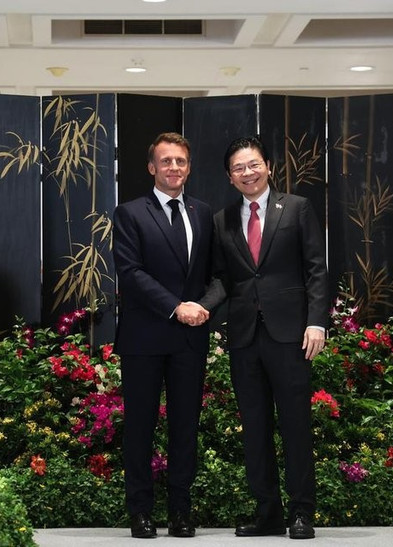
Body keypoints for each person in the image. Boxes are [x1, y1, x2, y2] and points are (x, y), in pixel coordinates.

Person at [199, 135, 327, 540]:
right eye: (238, 168)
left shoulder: (297, 208)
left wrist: (317, 321)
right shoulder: (221, 220)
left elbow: (316, 270)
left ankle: (302, 513)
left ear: (268, 166)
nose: (247, 172)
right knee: (254, 429)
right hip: (244, 337)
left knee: (294, 425)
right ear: (229, 176)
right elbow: (223, 278)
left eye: (253, 164)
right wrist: (203, 307)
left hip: (291, 335)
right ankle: (267, 511)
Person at [112, 132, 213, 539]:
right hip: (145, 337)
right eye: (166, 161)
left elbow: (217, 274)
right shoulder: (130, 213)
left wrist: (206, 305)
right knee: (140, 426)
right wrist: (177, 306)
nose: (174, 168)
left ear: (189, 167)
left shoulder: (204, 213)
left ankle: (180, 512)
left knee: (185, 427)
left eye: (181, 161)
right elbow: (131, 273)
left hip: (191, 337)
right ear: (152, 167)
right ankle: (140, 511)